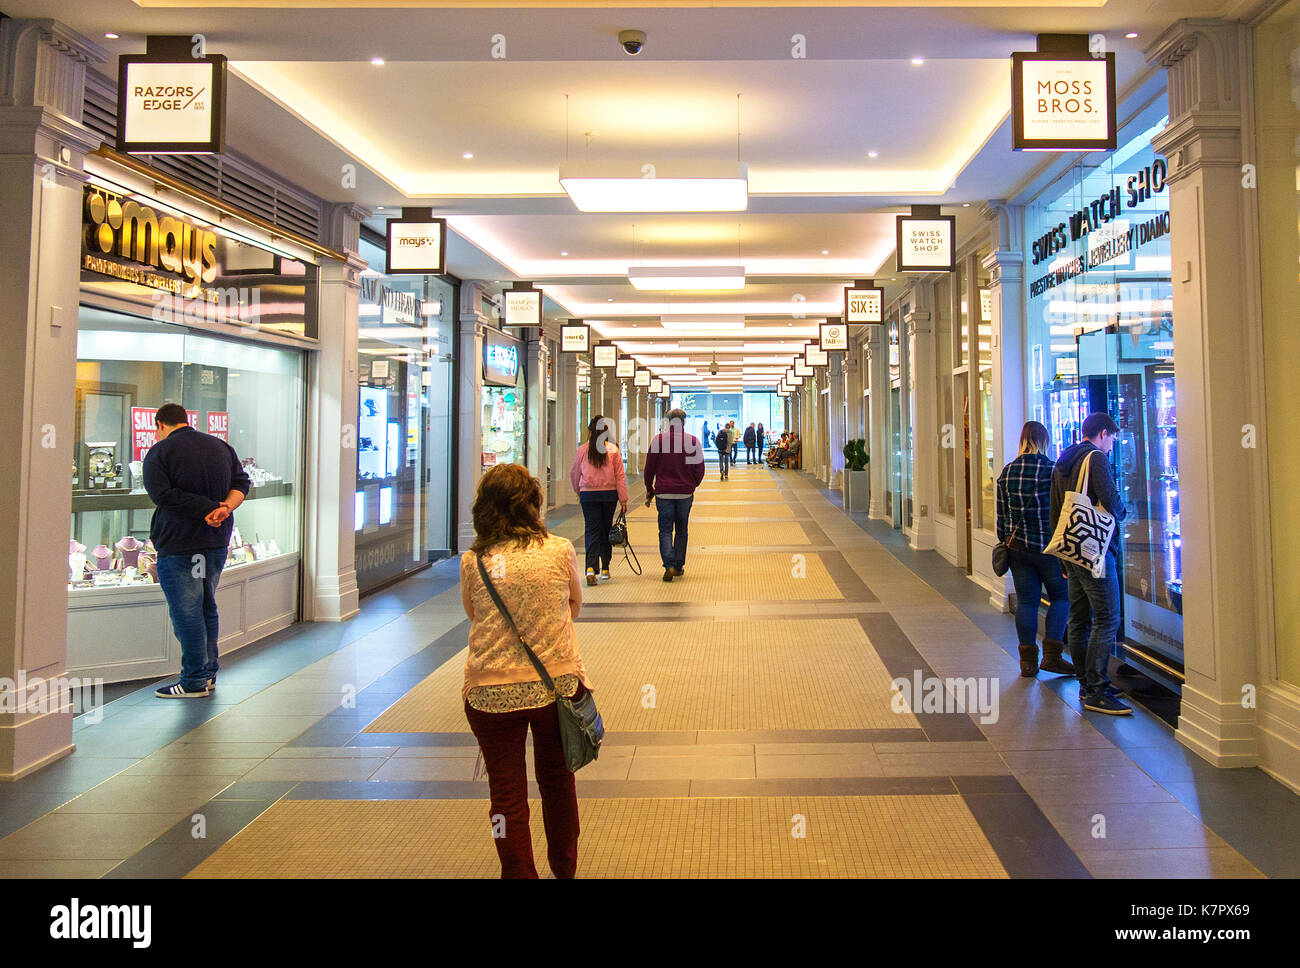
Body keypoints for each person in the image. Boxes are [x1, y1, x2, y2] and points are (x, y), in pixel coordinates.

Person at [460, 463, 592, 878]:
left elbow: (473, 614)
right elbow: (573, 606)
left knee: (506, 794)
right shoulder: (560, 549)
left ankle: (519, 873)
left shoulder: (474, 560)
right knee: (557, 781)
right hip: (556, 687)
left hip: (490, 691)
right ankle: (564, 868)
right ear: (532, 504)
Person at [143, 403, 250, 698]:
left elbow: (162, 495)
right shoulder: (220, 446)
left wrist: (209, 509)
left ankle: (192, 681)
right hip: (214, 542)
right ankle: (208, 673)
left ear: (160, 425)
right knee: (206, 606)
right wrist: (224, 508)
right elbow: (242, 482)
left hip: (180, 544)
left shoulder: (161, 452)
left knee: (187, 612)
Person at [1050, 412, 1129, 715]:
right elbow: (1109, 498)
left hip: (1070, 548)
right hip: (1094, 550)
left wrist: (1060, 556)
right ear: (1103, 434)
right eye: (1112, 438)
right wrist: (1123, 513)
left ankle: (1086, 682)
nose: (1112, 445)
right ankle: (1096, 688)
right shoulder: (1096, 458)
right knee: (1108, 617)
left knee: (1080, 619)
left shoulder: (1064, 458)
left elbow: (1056, 506)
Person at [997, 421, 1073, 678]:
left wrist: (1007, 540)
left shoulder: (1007, 473)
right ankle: (1053, 655)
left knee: (1027, 602)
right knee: (1062, 598)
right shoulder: (1054, 471)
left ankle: (1027, 662)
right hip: (1050, 549)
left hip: (1019, 550)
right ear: (1045, 441)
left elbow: (1001, 520)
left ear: (1022, 440)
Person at [643, 408, 706, 582]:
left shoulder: (659, 440)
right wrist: (692, 484)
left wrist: (649, 488)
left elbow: (649, 469)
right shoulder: (692, 441)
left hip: (664, 493)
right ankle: (678, 565)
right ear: (684, 422)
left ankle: (668, 565)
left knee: (665, 530)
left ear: (668, 421)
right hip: (685, 494)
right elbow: (699, 468)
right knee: (681, 530)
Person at [569, 414, 628, 586]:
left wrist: (578, 490)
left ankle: (590, 568)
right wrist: (623, 499)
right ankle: (605, 569)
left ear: (590, 432)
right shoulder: (613, 450)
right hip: (609, 495)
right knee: (605, 530)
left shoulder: (583, 450)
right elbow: (620, 477)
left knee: (591, 530)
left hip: (588, 495)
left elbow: (574, 473)